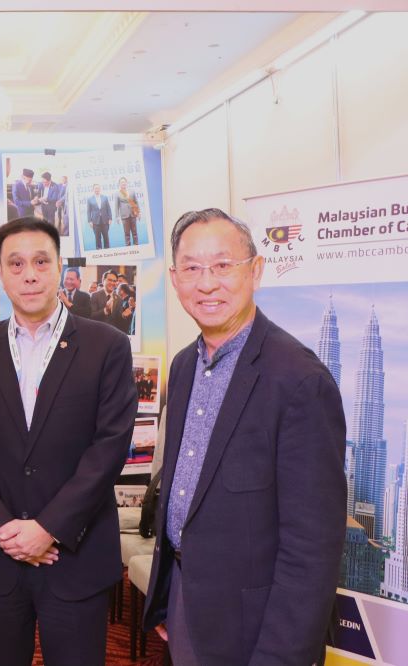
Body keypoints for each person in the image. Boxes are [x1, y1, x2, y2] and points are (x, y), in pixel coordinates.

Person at [142, 209, 346, 665]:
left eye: (223, 265)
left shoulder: (299, 381)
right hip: (186, 602)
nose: (207, 283)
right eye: (192, 268)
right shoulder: (184, 365)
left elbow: (312, 548)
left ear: (255, 270)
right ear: (174, 279)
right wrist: (168, 597)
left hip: (258, 627)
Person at [0, 216, 137, 665]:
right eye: (16, 263)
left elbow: (108, 448)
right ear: (0, 272)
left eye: (41, 261)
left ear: (60, 267)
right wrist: (3, 528)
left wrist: (48, 528)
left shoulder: (107, 346)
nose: (29, 274)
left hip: (76, 556)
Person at [115, 177, 140, 246]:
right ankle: (128, 247)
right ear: (119, 184)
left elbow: (136, 202)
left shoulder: (132, 191)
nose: (123, 183)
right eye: (121, 182)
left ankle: (136, 246)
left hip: (133, 214)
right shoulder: (117, 193)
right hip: (124, 216)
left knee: (135, 232)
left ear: (126, 183)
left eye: (124, 182)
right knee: (127, 234)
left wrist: (138, 213)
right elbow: (116, 206)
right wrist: (117, 217)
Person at [86, 183, 112, 250]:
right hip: (95, 222)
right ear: (93, 189)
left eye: (98, 188)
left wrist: (110, 218)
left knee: (106, 237)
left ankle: (107, 250)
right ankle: (99, 250)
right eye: (95, 188)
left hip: (105, 221)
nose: (97, 190)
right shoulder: (89, 199)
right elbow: (88, 211)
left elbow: (108, 208)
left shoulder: (105, 197)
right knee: (97, 238)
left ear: (100, 189)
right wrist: (89, 221)